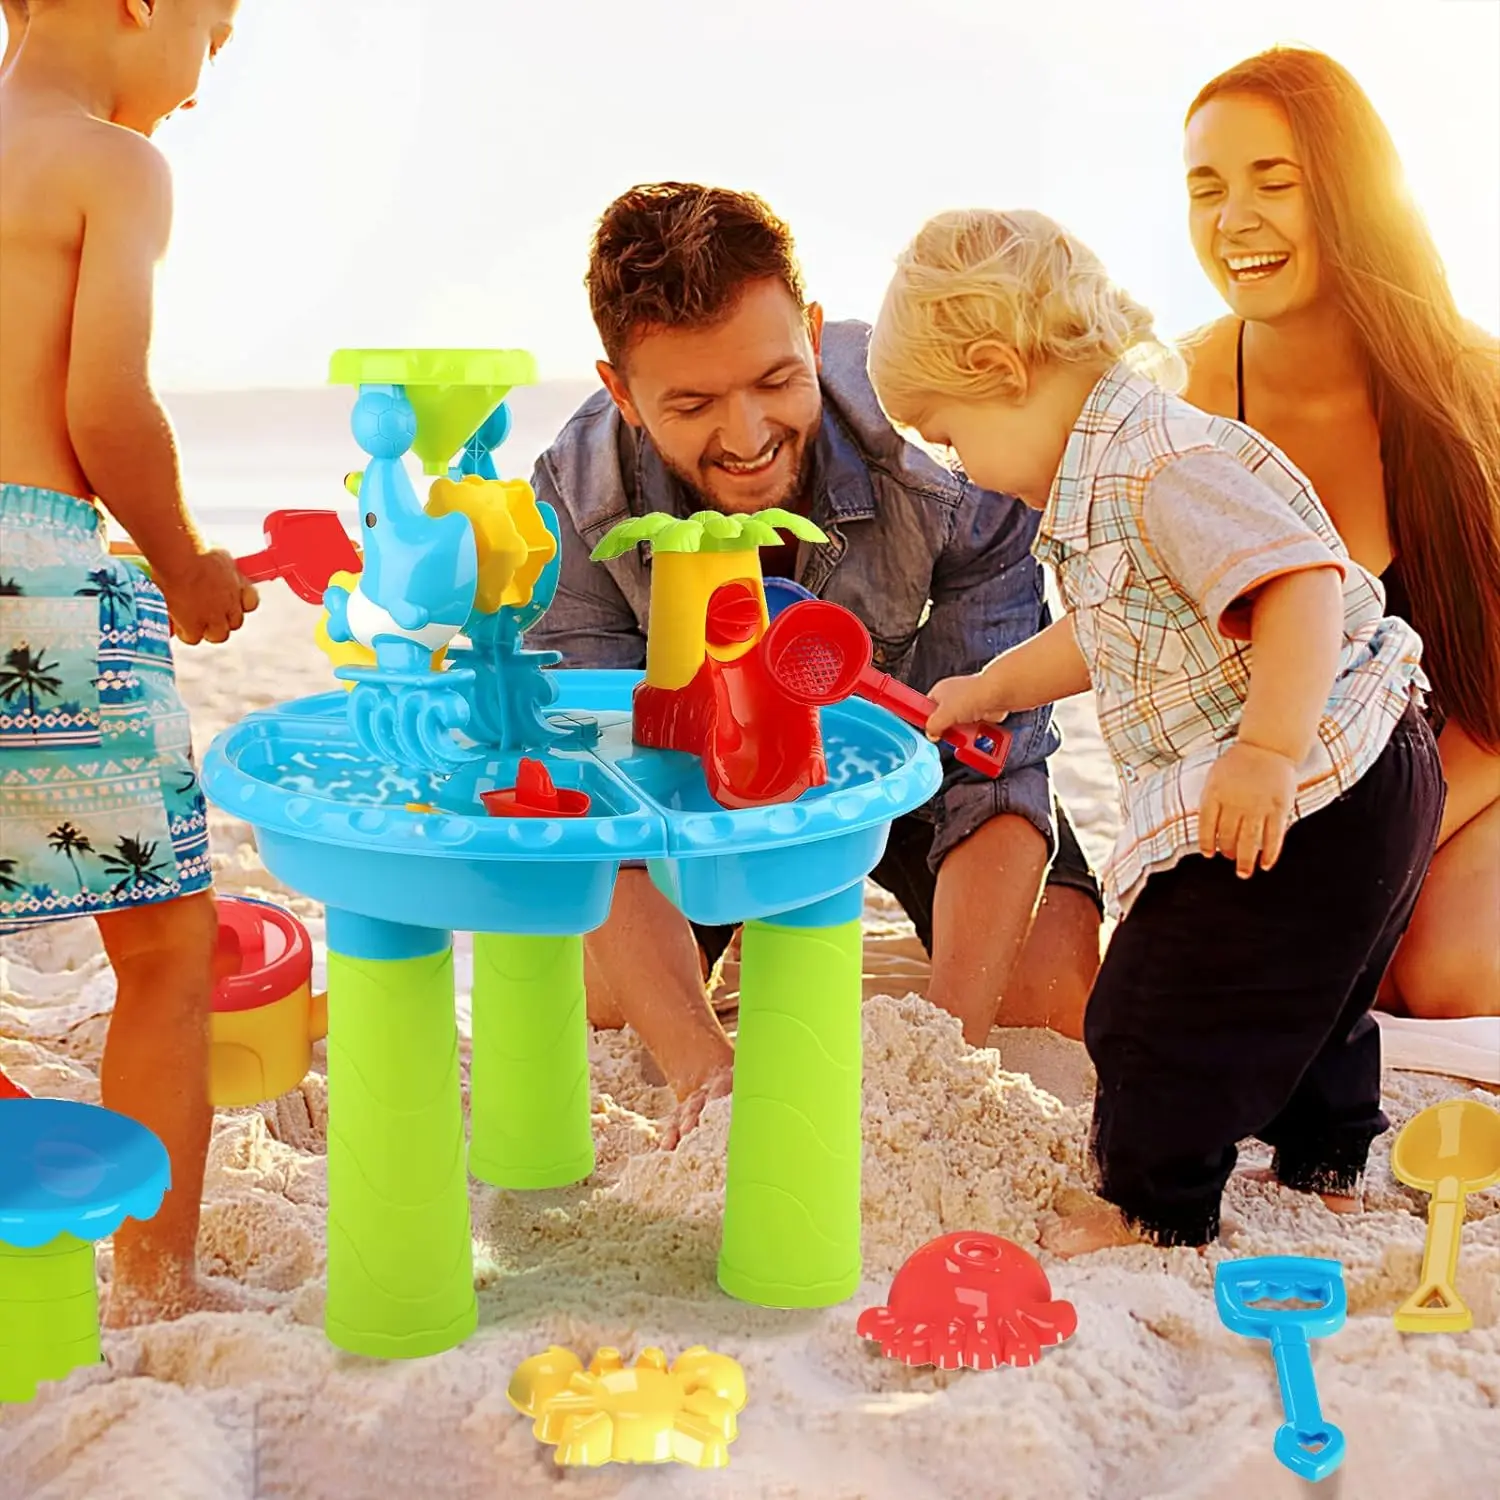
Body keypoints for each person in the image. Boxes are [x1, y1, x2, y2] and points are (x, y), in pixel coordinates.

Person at [867, 207, 1441, 1255]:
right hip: (1363, 773)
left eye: (952, 436)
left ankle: (1152, 1204)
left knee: (1148, 1008)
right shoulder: (1108, 483)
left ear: (1002, 366)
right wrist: (991, 685)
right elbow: (1110, 626)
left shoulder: (1155, 462)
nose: (964, 470)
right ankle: (1325, 1163)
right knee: (1317, 982)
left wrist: (1266, 752)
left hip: (1313, 776)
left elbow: (1301, 585)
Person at [529, 183, 1104, 1118]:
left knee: (1050, 996)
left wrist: (941, 1059)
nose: (749, 437)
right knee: (600, 1004)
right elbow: (595, 804)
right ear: (622, 395)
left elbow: (998, 769)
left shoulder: (948, 452)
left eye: (773, 380)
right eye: (693, 403)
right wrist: (703, 1075)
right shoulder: (579, 496)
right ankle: (750, 929)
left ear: (811, 326)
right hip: (696, 794)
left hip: (913, 763)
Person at [0, 0, 256, 1324]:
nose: (202, 84)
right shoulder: (111, 163)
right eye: (210, 37)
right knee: (163, 949)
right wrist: (188, 564)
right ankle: (159, 1288)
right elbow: (102, 406)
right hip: (37, 577)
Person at [1180, 46, 1500, 1020]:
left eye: (1274, 181)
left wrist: (1381, 853)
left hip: (1469, 778)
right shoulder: (1178, 400)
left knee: (1447, 972)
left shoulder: (1473, 386)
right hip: (1276, 815)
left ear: (1353, 193)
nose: (1234, 219)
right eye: (1206, 188)